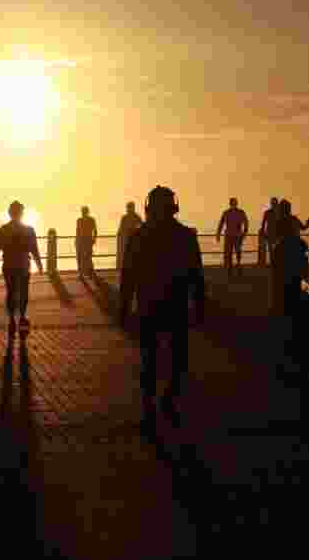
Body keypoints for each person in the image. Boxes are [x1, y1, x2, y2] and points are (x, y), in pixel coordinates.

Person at [119, 186, 206, 436]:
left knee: (149, 357)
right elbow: (196, 276)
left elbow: (128, 277)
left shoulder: (138, 236)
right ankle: (168, 399)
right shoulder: (186, 236)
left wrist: (124, 308)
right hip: (176, 305)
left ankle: (149, 404)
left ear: (148, 208)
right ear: (174, 207)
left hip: (148, 305)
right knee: (177, 357)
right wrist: (199, 306)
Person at [0, 201, 45, 338]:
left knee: (10, 292)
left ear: (10, 213)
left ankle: (11, 319)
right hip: (23, 265)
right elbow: (34, 249)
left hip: (9, 265)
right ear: (22, 213)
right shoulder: (29, 230)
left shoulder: (3, 229)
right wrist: (39, 264)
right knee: (23, 292)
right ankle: (22, 316)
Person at [216, 197, 249, 278]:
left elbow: (246, 222)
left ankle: (237, 266)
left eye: (234, 203)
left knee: (237, 251)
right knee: (229, 253)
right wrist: (218, 234)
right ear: (231, 203)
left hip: (237, 235)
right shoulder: (227, 212)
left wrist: (244, 233)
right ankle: (231, 268)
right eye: (233, 203)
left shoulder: (240, 212)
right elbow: (221, 223)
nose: (234, 204)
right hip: (229, 235)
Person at [116, 202, 143, 276]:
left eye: (129, 207)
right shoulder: (126, 217)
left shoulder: (135, 217)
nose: (128, 209)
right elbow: (121, 228)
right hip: (127, 239)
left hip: (133, 239)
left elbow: (142, 227)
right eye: (128, 207)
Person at [76, 206, 98, 277]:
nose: (83, 213)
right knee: (81, 257)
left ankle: (88, 271)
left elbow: (95, 230)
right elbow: (77, 231)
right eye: (83, 211)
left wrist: (94, 239)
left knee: (87, 257)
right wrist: (76, 240)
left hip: (87, 241)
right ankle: (82, 272)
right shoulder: (79, 220)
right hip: (82, 240)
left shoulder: (91, 220)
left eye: (84, 211)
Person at [258, 197, 279, 267]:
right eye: (273, 203)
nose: (274, 204)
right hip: (270, 234)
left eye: (274, 203)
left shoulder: (279, 212)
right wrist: (263, 231)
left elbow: (263, 223)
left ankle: (275, 264)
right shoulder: (267, 212)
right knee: (271, 250)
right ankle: (274, 264)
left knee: (276, 250)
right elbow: (263, 223)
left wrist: (263, 230)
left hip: (276, 234)